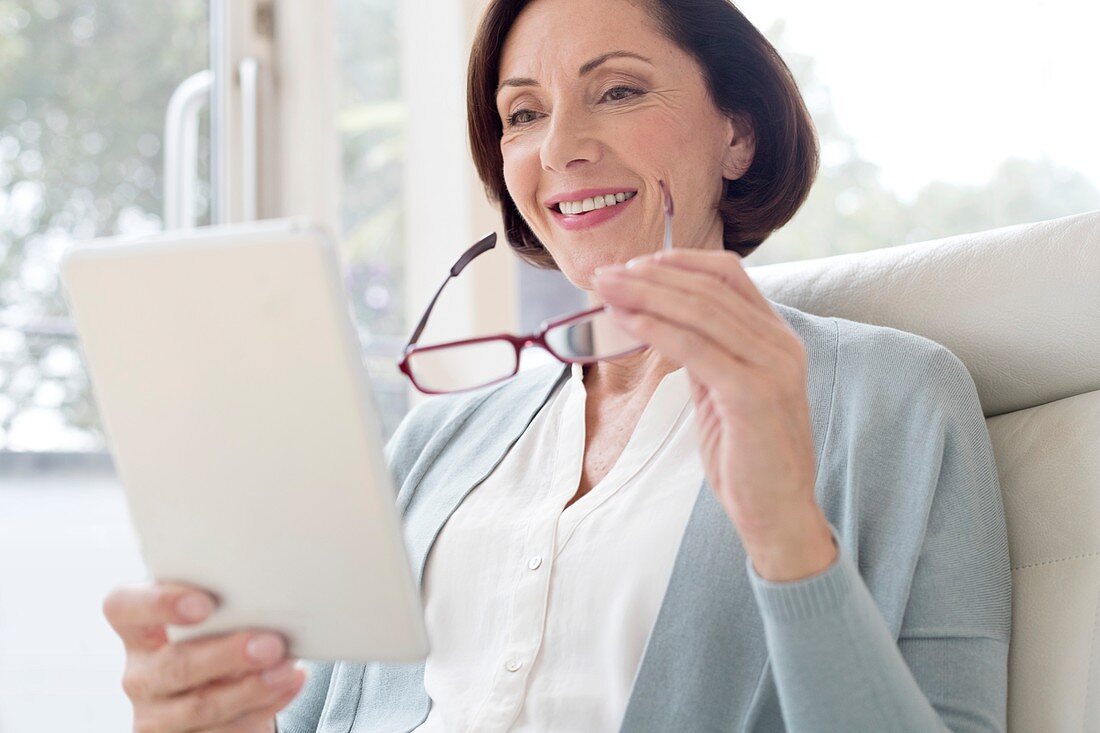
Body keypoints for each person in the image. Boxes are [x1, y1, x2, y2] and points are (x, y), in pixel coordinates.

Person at [103, 0, 1012, 731]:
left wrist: (785, 537)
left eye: (618, 91)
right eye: (524, 113)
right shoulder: (437, 437)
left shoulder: (896, 399)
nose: (561, 146)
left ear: (737, 134)